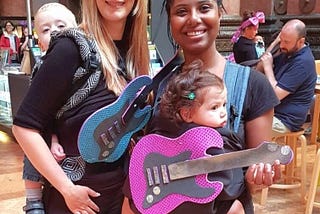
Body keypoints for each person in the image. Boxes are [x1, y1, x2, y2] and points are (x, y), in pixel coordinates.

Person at [132, 0, 281, 213]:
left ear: (219, 14)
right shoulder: (161, 84)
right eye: (181, 11)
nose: (193, 19)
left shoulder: (253, 85)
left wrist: (260, 176)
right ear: (170, 22)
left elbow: (253, 179)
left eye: (204, 8)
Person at [12, 0, 150, 213]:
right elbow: (24, 128)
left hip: (121, 200)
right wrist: (67, 189)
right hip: (75, 204)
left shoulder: (133, 52)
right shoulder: (71, 47)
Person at [21, 3, 78, 214]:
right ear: (41, 43)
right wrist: (53, 138)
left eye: (60, 25)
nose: (54, 31)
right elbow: (40, 114)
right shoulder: (43, 67)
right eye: (45, 29)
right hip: (46, 125)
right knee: (32, 147)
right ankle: (33, 200)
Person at [259, 19, 317, 137]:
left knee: (244, 130)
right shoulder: (286, 51)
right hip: (271, 112)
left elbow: (275, 95)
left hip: (285, 120)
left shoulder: (303, 62)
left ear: (301, 42)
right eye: (281, 40)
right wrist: (275, 43)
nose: (282, 45)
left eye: (286, 42)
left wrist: (269, 68)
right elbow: (259, 67)